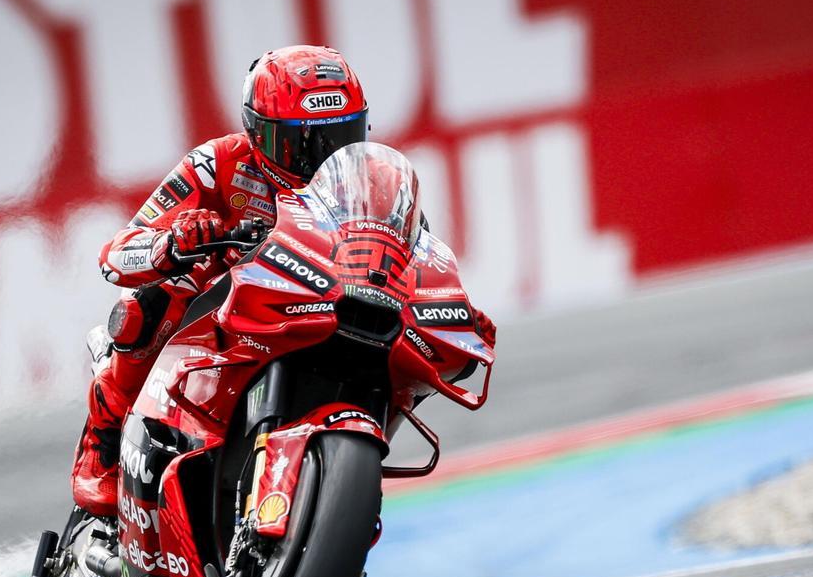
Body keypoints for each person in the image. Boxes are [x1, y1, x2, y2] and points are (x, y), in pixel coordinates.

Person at [71, 45, 496, 517]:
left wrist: (451, 309)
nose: (322, 157)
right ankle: (103, 446)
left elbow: (413, 258)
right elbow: (116, 253)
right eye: (303, 142)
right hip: (223, 310)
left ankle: (329, 489)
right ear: (258, 133)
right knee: (144, 309)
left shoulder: (375, 182)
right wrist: (172, 244)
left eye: (340, 138)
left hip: (319, 309)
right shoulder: (218, 163)